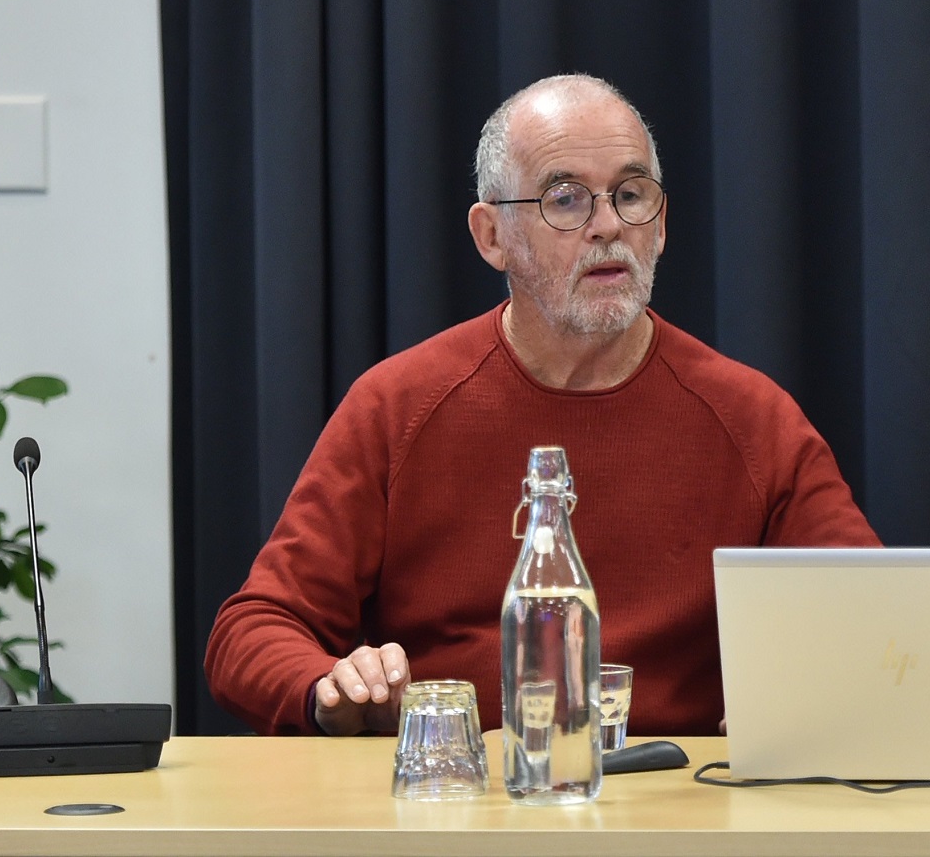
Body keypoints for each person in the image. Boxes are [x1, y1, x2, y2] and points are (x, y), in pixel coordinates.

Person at [207, 74, 880, 737]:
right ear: (490, 236)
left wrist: (812, 692)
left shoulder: (751, 416)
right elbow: (253, 631)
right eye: (565, 199)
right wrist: (331, 687)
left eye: (630, 194)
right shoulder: (398, 405)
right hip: (465, 802)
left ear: (662, 221)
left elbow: (876, 619)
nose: (608, 226)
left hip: (679, 801)